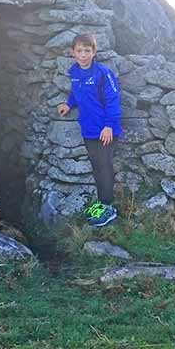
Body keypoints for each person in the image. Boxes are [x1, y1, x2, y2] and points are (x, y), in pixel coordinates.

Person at [56, 33, 124, 227]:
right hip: (88, 129)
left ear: (94, 52)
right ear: (73, 52)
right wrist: (68, 104)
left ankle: (108, 207)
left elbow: (113, 100)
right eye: (79, 50)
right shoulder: (74, 72)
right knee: (96, 165)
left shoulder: (103, 73)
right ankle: (101, 204)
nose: (83, 54)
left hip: (105, 130)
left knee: (104, 166)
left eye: (87, 50)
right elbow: (76, 93)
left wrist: (110, 125)